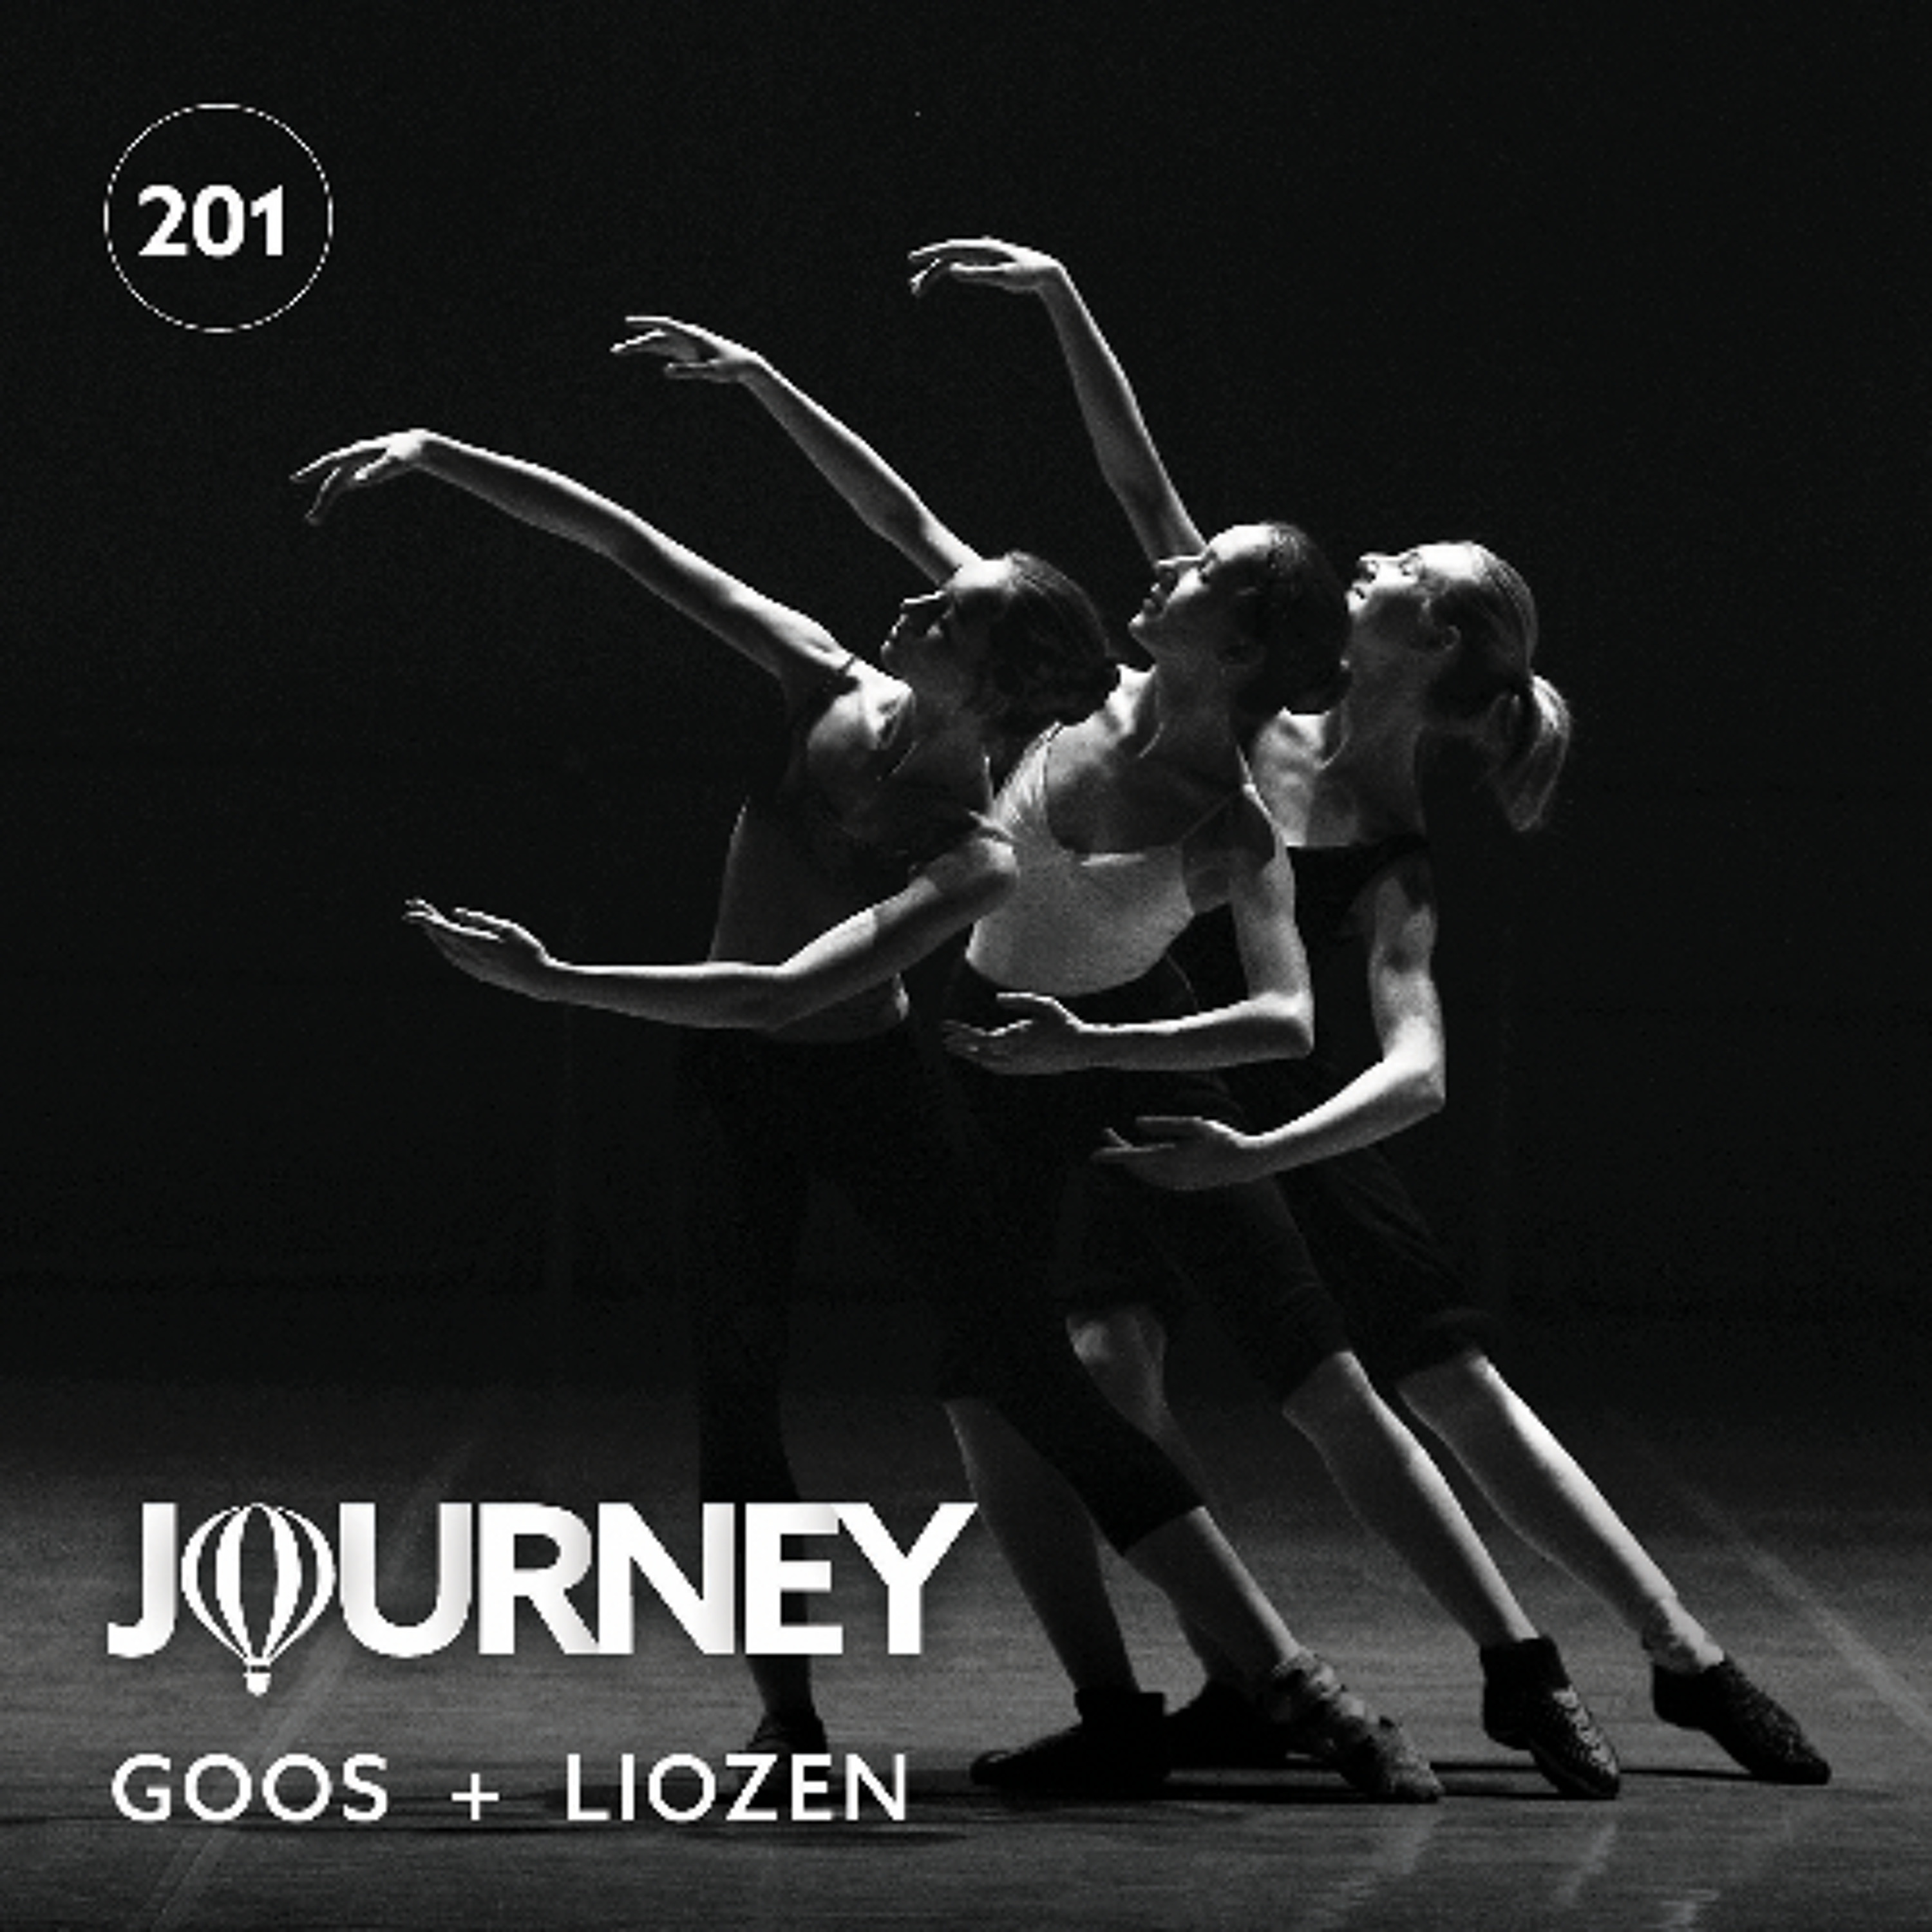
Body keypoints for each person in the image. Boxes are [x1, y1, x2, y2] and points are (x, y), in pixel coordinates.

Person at [290, 320, 1444, 1803]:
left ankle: (1294, 1682)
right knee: (738, 1397)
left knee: (1033, 1378)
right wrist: (442, 453)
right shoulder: (821, 676)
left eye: (947, 614)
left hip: (870, 1088)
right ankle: (789, 1718)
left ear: (991, 676)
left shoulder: (973, 849)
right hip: (738, 1090)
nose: (911, 602)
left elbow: (785, 992)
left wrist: (556, 978)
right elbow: (635, 544)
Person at [906, 235, 1830, 1789]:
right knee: (1110, 1354)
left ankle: (1676, 1655)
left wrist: (1270, 1151)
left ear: (1437, 639)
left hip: (1284, 1107)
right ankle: (1242, 1673)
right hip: (1156, 1070)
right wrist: (1064, 296)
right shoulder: (1246, 707)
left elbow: (1414, 1072)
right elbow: (1139, 485)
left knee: (1439, 1380)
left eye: (1403, 570)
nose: (1372, 557)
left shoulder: (1391, 848)